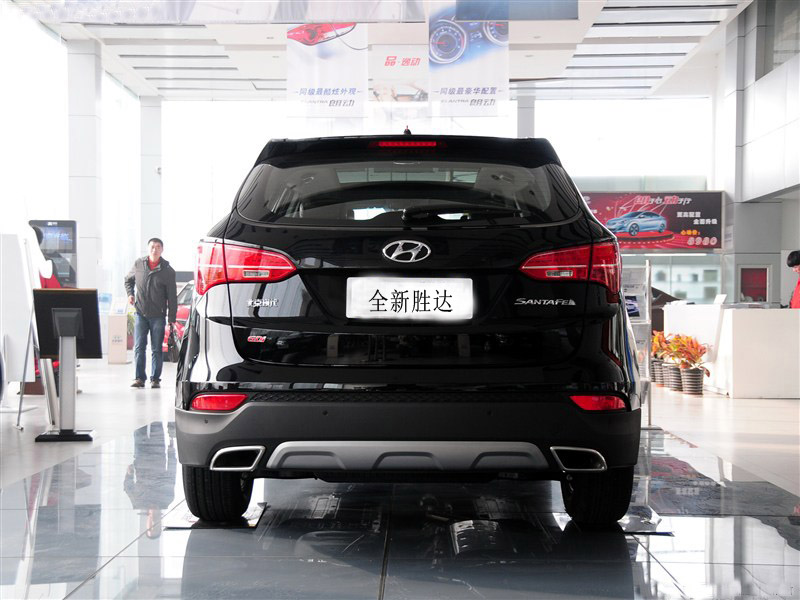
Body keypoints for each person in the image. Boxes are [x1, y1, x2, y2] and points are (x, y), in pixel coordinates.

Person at [124, 238, 177, 388]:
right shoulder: (138, 264)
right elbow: (128, 280)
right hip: (140, 313)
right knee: (139, 347)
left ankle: (155, 379)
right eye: (152, 247)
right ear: (148, 249)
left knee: (156, 349)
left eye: (158, 247)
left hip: (158, 316)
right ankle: (139, 378)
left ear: (162, 250)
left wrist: (171, 318)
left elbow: (172, 297)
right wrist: (130, 294)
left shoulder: (168, 271)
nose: (155, 249)